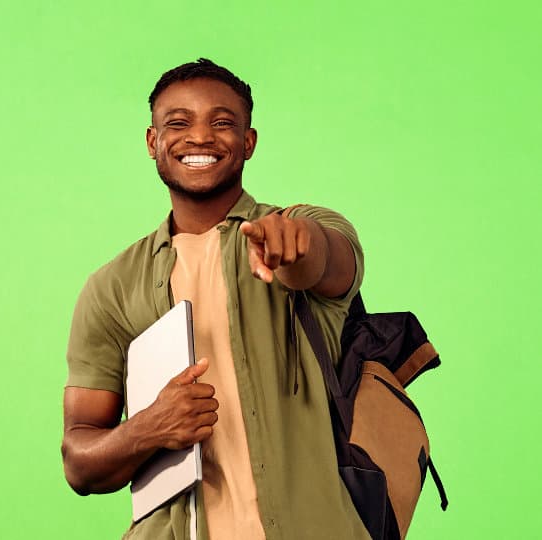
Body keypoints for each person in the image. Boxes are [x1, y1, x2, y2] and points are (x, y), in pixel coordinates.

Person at [62, 58, 370, 540]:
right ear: (153, 142)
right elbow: (79, 462)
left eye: (222, 122)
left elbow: (328, 260)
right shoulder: (113, 286)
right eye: (178, 123)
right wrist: (149, 428)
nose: (200, 137)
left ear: (248, 141)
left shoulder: (299, 227)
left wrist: (297, 242)